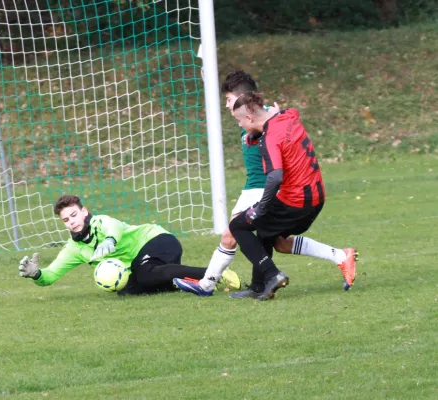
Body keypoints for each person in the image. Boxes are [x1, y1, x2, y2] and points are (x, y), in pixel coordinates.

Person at [174, 71, 356, 298]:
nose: (228, 107)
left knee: (233, 232)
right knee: (276, 242)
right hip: (259, 186)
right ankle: (337, 257)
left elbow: (276, 160)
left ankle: (207, 285)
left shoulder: (263, 117)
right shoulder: (260, 116)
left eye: (229, 100)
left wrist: (262, 204)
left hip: (263, 188)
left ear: (244, 101)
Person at [226, 92, 357, 300]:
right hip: (315, 196)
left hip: (296, 201)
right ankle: (259, 287)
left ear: (249, 118)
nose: (240, 125)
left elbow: (275, 176)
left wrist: (261, 207)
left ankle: (272, 275)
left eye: (239, 120)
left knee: (238, 225)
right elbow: (283, 118)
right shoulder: (288, 116)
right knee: (267, 234)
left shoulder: (269, 138)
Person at [18, 194, 240, 295]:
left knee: (143, 274)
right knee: (127, 290)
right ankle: (182, 282)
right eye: (66, 220)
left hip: (157, 241)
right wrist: (36, 274)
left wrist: (109, 240)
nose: (72, 222)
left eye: (74, 215)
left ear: (84, 212)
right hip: (147, 264)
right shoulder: (74, 249)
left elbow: (114, 228)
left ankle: (214, 274)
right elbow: (51, 276)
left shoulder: (100, 222)